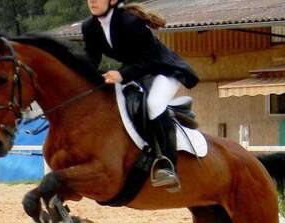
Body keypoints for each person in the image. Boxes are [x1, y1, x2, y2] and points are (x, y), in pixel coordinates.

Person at [82, 0, 199, 190]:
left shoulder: (130, 22)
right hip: (135, 72)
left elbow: (152, 60)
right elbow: (90, 60)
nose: (92, 1)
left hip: (164, 70)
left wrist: (122, 75)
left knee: (154, 104)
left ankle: (168, 165)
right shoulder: (89, 26)